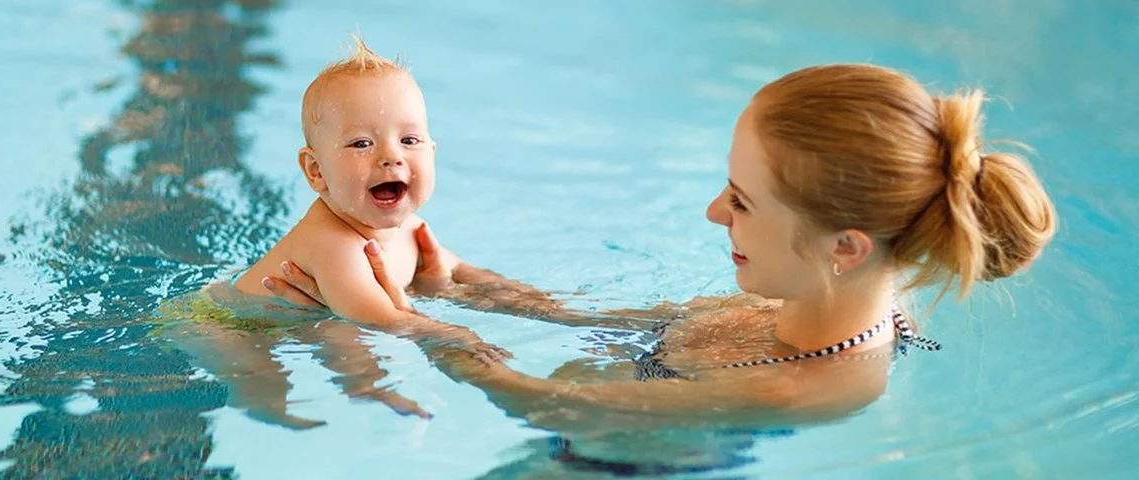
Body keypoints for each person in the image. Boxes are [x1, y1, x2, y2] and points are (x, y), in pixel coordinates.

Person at [262, 63, 1058, 430]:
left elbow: (547, 402)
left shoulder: (805, 388)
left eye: (741, 201)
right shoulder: (811, 295)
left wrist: (433, 339)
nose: (714, 212)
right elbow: (605, 321)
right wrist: (459, 283)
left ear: (843, 247)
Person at [157, 37, 509, 429]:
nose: (391, 156)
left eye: (409, 140)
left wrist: (548, 307)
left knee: (337, 331)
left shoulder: (407, 225)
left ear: (432, 150)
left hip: (304, 314)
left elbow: (464, 274)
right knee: (261, 376)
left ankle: (361, 385)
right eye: (362, 143)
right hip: (222, 324)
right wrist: (452, 333)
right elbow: (377, 317)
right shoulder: (332, 243)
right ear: (316, 171)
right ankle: (305, 401)